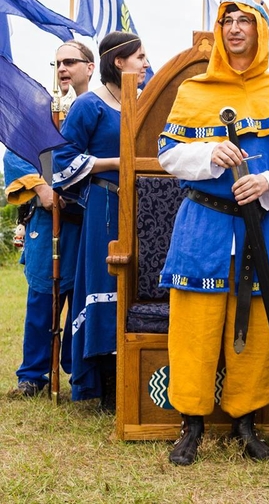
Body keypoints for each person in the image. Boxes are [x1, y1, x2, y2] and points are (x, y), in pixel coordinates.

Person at [157, 0, 269, 466]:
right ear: (219, 31)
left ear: (260, 32)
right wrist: (209, 155)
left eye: (246, 21)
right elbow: (168, 154)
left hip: (257, 223)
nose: (236, 28)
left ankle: (247, 423)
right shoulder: (194, 92)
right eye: (228, 20)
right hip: (203, 223)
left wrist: (267, 181)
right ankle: (191, 425)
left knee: (258, 326)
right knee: (195, 327)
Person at [52, 31, 150, 411]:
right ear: (119, 61)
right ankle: (107, 385)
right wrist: (115, 163)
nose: (145, 63)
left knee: (141, 286)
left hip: (145, 211)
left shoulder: (146, 104)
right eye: (139, 57)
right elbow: (62, 162)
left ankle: (139, 374)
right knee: (107, 283)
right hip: (105, 206)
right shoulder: (88, 106)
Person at [3, 41, 95, 398]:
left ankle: (81, 374)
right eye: (57, 63)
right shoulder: (39, 111)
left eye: (70, 61)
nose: (62, 69)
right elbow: (16, 154)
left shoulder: (101, 107)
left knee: (83, 299)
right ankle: (33, 375)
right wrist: (40, 189)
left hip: (87, 217)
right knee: (43, 296)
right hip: (48, 219)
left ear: (90, 67)